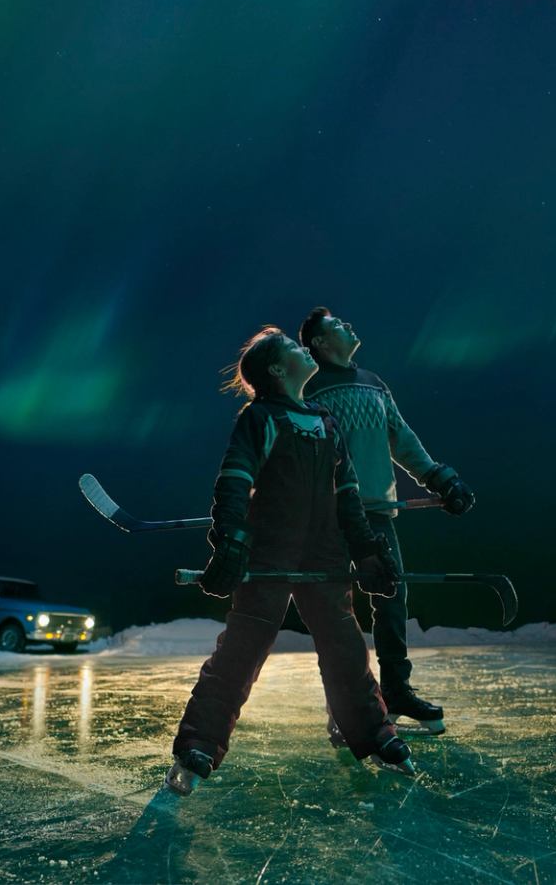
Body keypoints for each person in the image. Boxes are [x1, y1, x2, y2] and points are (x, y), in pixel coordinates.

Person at [167, 326, 414, 796]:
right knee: (245, 644)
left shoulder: (326, 423)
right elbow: (234, 480)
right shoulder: (260, 418)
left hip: (325, 553)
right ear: (279, 370)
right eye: (296, 349)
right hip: (270, 550)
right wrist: (231, 543)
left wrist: (367, 552)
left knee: (344, 645)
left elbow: (349, 499)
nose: (306, 351)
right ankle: (198, 743)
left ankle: (375, 733)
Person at [300, 307, 475, 736]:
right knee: (336, 614)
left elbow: (401, 437)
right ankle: (344, 706)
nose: (348, 325)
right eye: (336, 325)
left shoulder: (373, 384)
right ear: (320, 344)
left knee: (392, 605)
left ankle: (396, 692)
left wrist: (439, 477)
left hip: (378, 514)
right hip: (332, 518)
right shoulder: (308, 390)